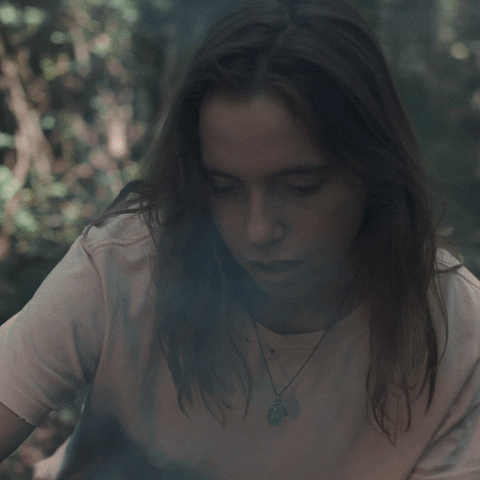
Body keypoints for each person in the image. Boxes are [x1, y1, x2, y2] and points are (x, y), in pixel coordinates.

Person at [1, 0, 480, 478]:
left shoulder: (456, 332)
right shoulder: (127, 263)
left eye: (301, 187)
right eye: (223, 188)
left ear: (373, 171)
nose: (257, 230)